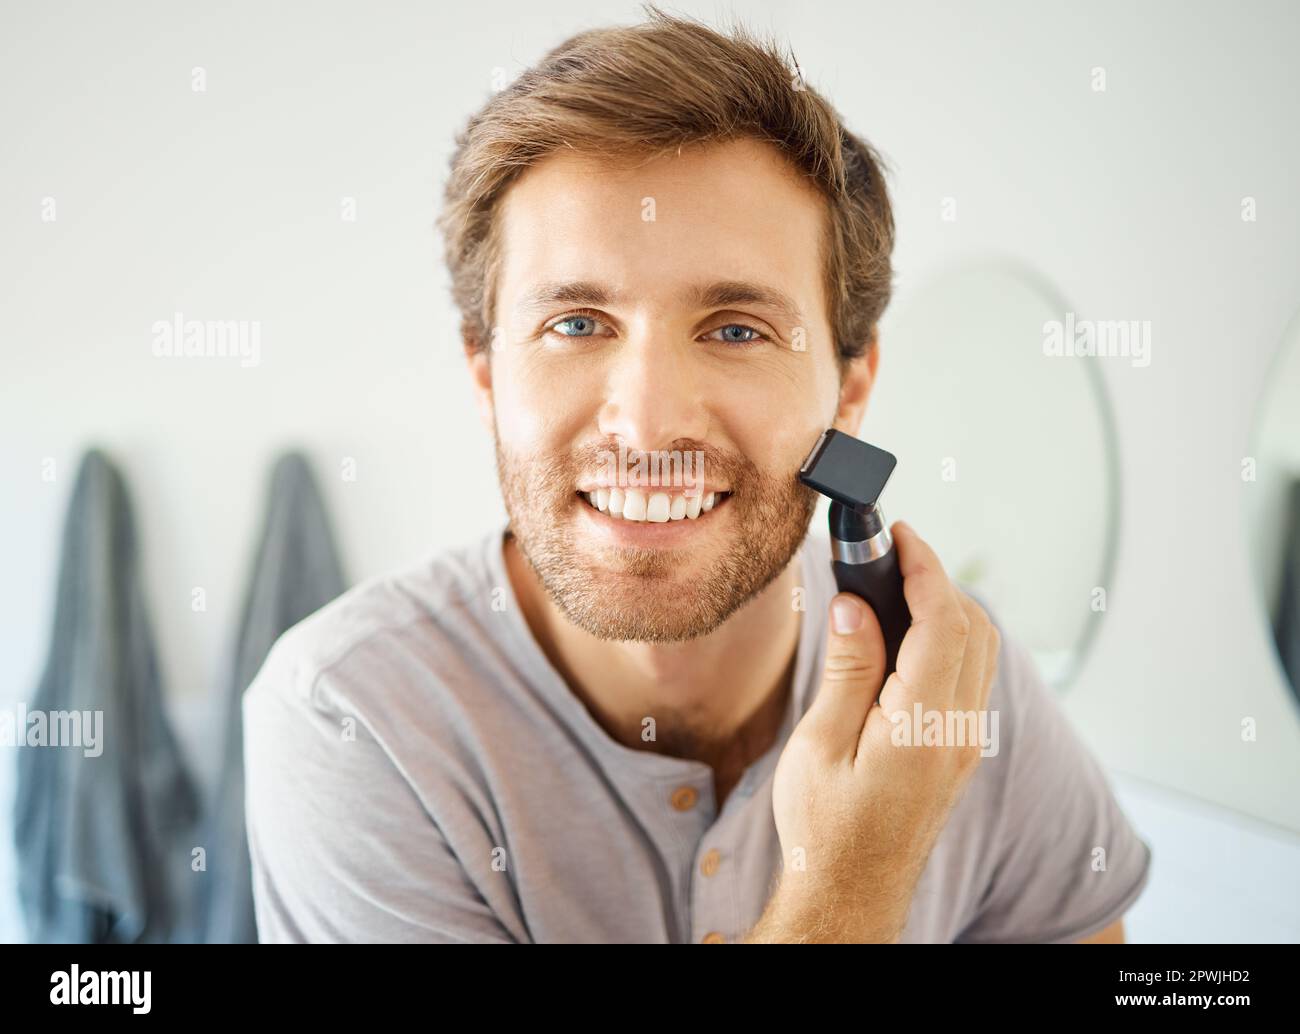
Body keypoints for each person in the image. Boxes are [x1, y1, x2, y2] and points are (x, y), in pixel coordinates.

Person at [242, 5, 1151, 943]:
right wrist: (850, 885)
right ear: (486, 376)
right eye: (577, 324)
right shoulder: (352, 717)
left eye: (734, 329)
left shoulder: (954, 683)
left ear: (850, 387)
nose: (648, 422)